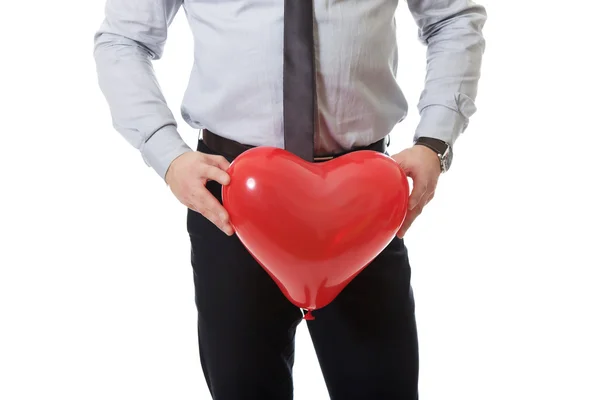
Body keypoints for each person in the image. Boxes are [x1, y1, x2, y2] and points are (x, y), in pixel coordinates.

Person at [93, 1, 486, 398]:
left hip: (364, 198)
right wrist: (168, 154)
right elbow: (123, 39)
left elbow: (452, 18)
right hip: (231, 198)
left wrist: (435, 140)